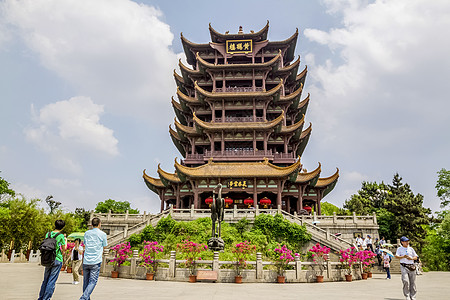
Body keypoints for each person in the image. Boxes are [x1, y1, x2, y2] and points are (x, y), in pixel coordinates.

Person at [79, 217, 108, 300]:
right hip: (96, 260)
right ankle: (83, 298)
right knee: (92, 281)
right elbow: (105, 246)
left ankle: (86, 298)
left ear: (91, 224)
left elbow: (84, 243)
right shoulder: (103, 234)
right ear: (99, 224)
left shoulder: (87, 233)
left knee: (86, 281)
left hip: (86, 260)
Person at [38, 219, 67, 300]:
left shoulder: (48, 234)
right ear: (63, 227)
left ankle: (41, 297)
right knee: (52, 280)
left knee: (45, 280)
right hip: (57, 259)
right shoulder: (61, 236)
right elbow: (64, 249)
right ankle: (46, 298)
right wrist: (65, 240)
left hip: (47, 259)